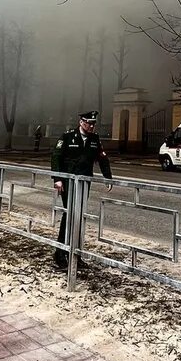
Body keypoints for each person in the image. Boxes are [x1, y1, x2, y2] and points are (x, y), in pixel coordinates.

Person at [50, 111, 112, 270]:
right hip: (68, 181)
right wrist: (57, 179)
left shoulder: (94, 139)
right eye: (88, 123)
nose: (91, 126)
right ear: (81, 122)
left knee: (78, 216)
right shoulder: (68, 136)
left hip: (84, 182)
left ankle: (75, 253)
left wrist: (107, 177)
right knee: (70, 214)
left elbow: (102, 158)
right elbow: (56, 156)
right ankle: (60, 253)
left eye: (93, 124)